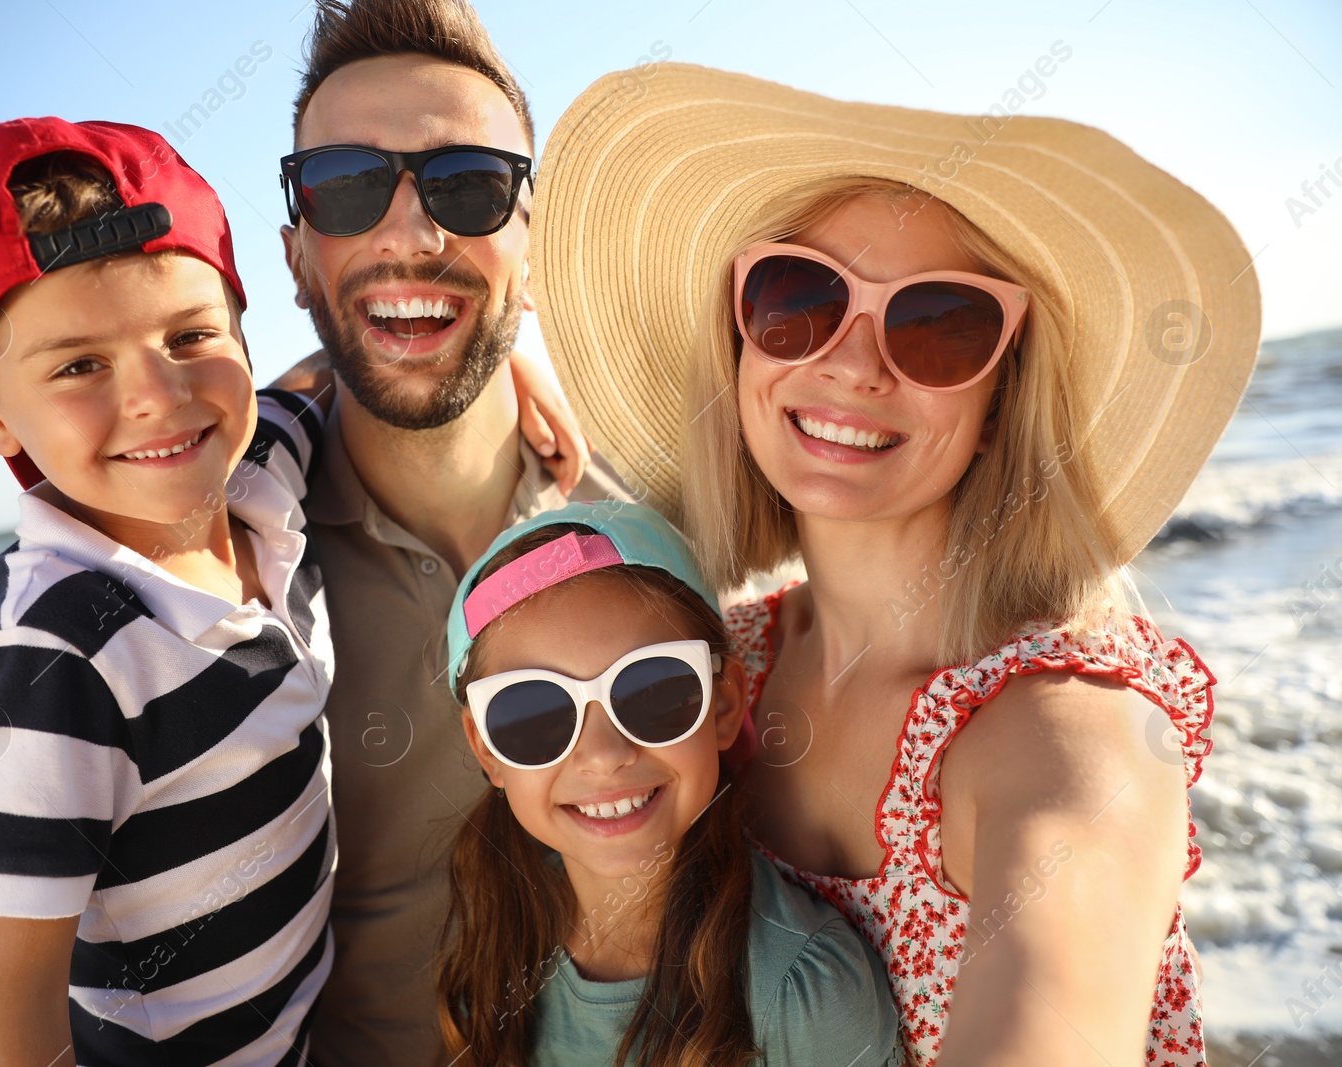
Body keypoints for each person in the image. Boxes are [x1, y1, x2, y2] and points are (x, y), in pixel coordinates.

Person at [530, 64, 1262, 1065]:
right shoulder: (708, 668)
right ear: (736, 340)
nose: (855, 363)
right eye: (799, 296)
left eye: (938, 323)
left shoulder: (1071, 732)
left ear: (1002, 390)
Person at [0, 118, 337, 1064]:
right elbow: (0, 1034)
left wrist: (515, 360)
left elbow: (323, 381)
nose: (158, 395)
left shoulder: (262, 479)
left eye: (191, 334)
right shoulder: (53, 672)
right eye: (79, 365)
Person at [273, 2, 630, 1062]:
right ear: (297, 256)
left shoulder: (652, 512)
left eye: (467, 184)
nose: (409, 234)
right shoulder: (229, 561)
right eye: (346, 186)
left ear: (537, 235)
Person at [438, 501, 899, 1066]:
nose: (604, 756)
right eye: (534, 713)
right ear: (486, 748)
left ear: (724, 702)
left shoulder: (804, 995)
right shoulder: (499, 941)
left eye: (652, 691)